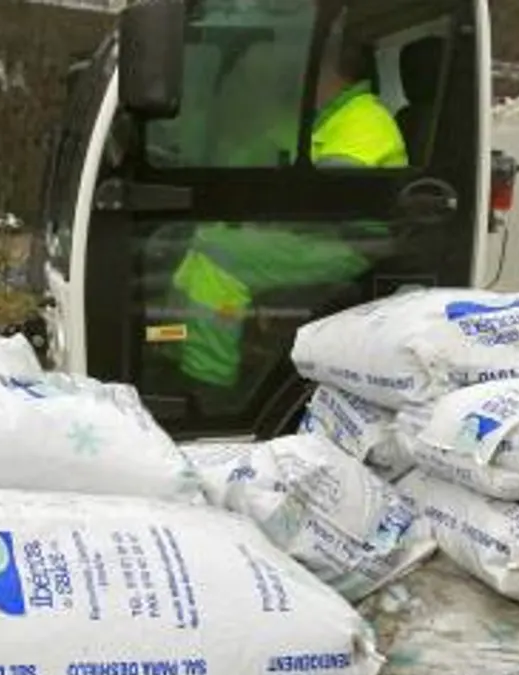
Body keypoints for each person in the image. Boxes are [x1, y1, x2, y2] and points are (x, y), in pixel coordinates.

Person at [166, 20, 408, 402]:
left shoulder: (366, 118)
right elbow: (257, 152)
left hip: (350, 242)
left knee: (219, 261)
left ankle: (207, 387)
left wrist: (262, 210)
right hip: (314, 231)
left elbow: (330, 191)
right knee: (203, 239)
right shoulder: (323, 117)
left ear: (327, 72)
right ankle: (176, 347)